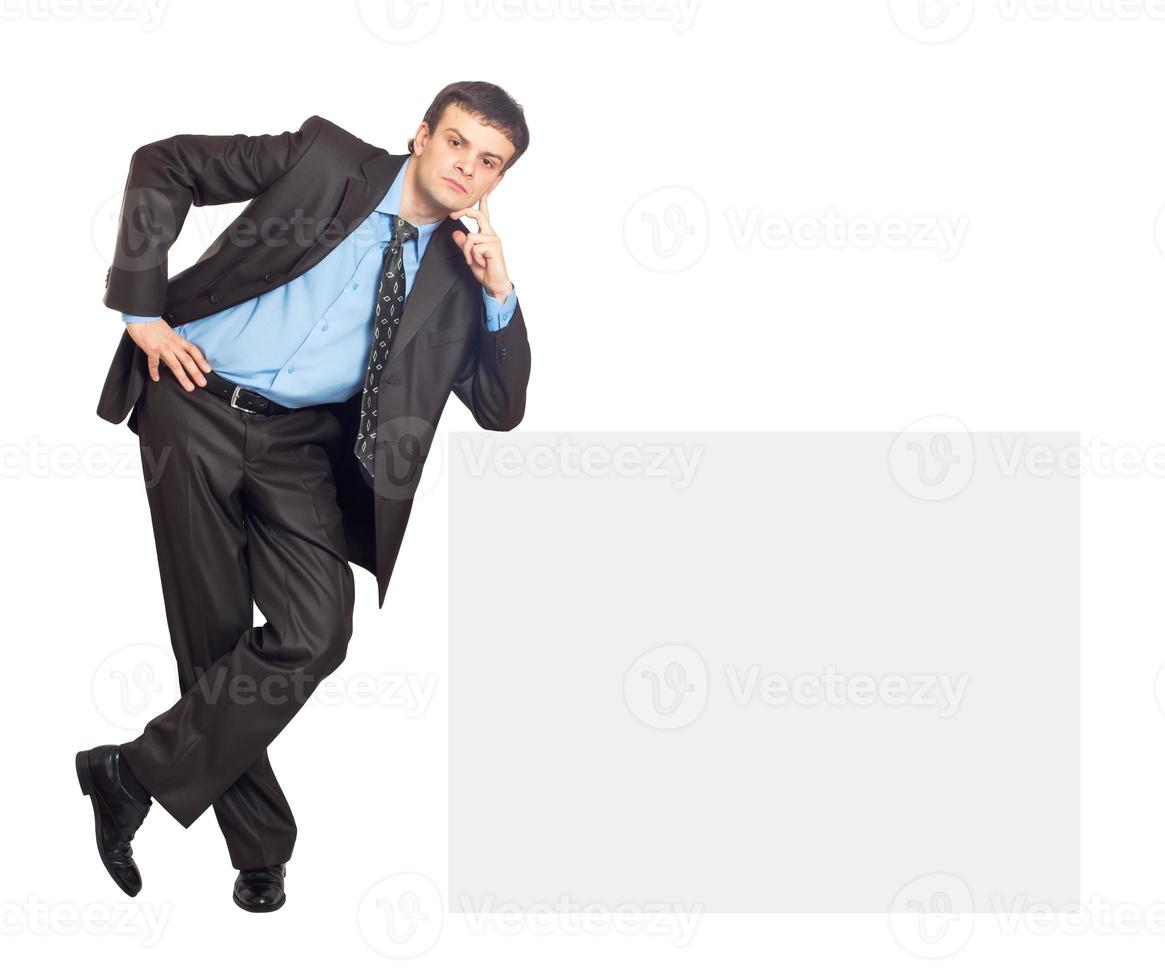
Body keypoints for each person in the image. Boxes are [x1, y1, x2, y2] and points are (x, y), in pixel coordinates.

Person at [75, 81, 532, 912]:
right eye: (458, 142)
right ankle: (259, 850)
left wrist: (501, 293)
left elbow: (501, 412)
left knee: (314, 634)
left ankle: (128, 771)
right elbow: (163, 163)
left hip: (298, 446)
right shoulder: (326, 160)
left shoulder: (464, 275)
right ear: (423, 135)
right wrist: (140, 309)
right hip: (192, 399)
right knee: (213, 642)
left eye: (489, 161)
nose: (467, 166)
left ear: (499, 180)